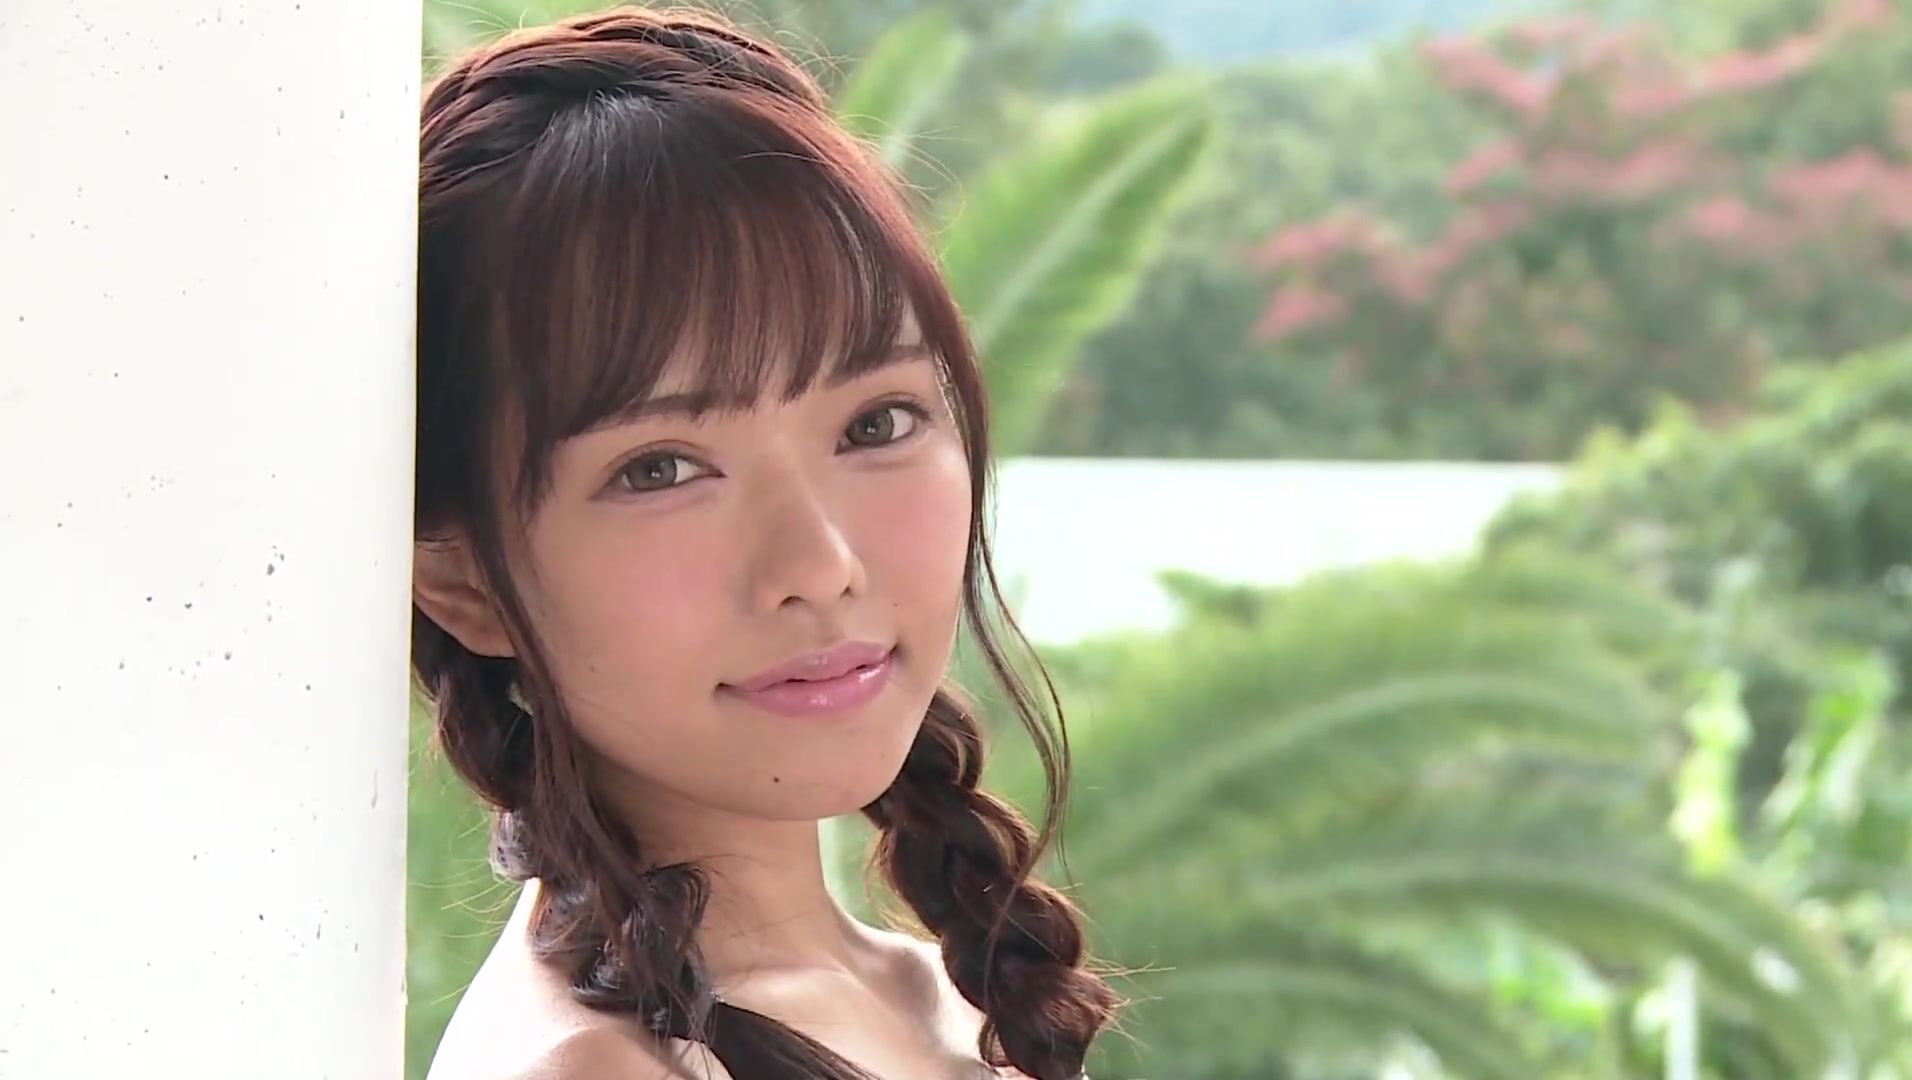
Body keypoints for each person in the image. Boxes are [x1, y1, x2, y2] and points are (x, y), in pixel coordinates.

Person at [411, 7, 1120, 1078]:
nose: (821, 565)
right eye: (660, 469)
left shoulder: (939, 1002)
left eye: (876, 424)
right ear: (463, 580)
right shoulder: (595, 1066)